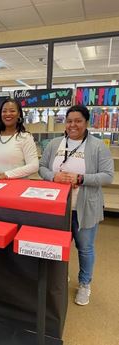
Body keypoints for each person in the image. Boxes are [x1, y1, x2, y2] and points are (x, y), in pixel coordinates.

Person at [39, 104, 114, 306]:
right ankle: (61, 278)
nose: (73, 125)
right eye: (69, 120)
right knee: (58, 246)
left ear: (86, 122)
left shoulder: (98, 146)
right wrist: (54, 176)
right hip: (57, 208)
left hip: (85, 207)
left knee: (85, 248)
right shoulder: (54, 143)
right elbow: (42, 168)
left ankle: (84, 284)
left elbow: (108, 176)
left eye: (78, 121)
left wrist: (81, 178)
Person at [0, 98, 39, 180]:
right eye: (4, 111)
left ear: (19, 114)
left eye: (12, 111)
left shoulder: (25, 137)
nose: (8, 114)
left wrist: (7, 175)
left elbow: (34, 165)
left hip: (16, 187)